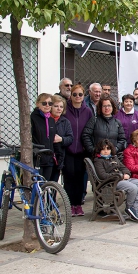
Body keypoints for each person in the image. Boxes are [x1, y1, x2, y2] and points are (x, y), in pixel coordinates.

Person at [94, 139, 138, 222]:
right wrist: (120, 176)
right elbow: (103, 176)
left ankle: (134, 208)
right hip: (111, 183)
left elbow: (124, 168)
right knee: (133, 188)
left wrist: (127, 174)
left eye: (108, 149)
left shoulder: (114, 158)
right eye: (103, 149)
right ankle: (129, 208)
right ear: (99, 150)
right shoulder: (98, 161)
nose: (106, 151)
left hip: (122, 180)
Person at [63, 84, 94, 217]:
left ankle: (78, 205)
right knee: (69, 177)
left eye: (80, 94)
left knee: (80, 178)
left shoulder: (87, 111)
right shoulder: (65, 110)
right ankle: (70, 204)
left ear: (83, 96)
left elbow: (90, 130)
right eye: (74, 94)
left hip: (82, 150)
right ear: (71, 95)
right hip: (68, 150)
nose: (77, 97)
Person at [31, 93, 57, 181]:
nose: (47, 105)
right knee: (37, 185)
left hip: (49, 158)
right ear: (38, 104)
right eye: (44, 103)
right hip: (37, 158)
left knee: (46, 185)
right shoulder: (33, 118)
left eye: (50, 103)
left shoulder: (51, 120)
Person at [50, 95, 73, 184]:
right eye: (56, 106)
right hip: (46, 158)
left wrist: (61, 139)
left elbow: (70, 138)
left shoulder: (65, 122)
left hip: (58, 157)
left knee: (54, 183)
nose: (59, 109)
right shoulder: (46, 120)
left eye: (61, 107)